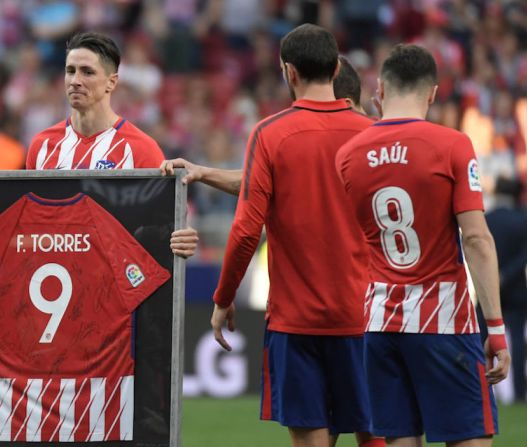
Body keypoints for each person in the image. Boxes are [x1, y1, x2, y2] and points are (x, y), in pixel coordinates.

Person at [190, 24, 381, 447]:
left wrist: (223, 298)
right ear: (335, 68)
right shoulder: (372, 136)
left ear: (288, 73)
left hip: (297, 322)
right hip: (366, 315)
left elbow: (244, 230)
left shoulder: (270, 133)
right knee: (375, 434)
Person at [335, 44, 510, 446]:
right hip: (442, 319)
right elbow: (478, 239)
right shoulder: (451, 145)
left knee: (398, 439)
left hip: (380, 320)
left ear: (380, 88)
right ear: (432, 93)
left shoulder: (348, 156)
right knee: (470, 436)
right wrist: (496, 327)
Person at [0, 32, 197, 258]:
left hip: (114, 297)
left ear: (111, 82)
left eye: (87, 72)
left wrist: (182, 238)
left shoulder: (141, 149)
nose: (75, 81)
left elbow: (168, 224)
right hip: (50, 282)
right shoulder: (42, 145)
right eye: (70, 71)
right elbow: (25, 223)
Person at [160, 54, 369, 194]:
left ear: (347, 104)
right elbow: (259, 180)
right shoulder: (319, 137)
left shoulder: (368, 144)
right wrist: (203, 172)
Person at [485, 177, 527, 403]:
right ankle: (519, 392)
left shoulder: (487, 219)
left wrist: (494, 277)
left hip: (488, 289)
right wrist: (506, 276)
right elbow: (523, 256)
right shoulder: (522, 219)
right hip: (517, 289)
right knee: (517, 342)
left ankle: (480, 388)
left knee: (481, 339)